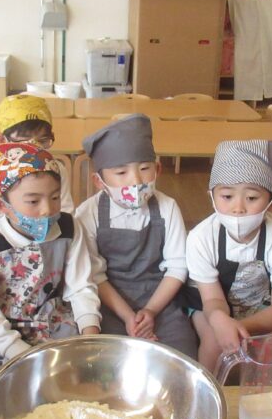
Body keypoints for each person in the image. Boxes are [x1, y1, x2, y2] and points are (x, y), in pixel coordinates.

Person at [0, 142, 100, 374]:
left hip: (57, 324)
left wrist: (90, 332)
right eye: (33, 201)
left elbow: (81, 287)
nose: (47, 209)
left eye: (55, 197)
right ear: (2, 206)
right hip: (6, 337)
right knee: (32, 384)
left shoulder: (70, 228)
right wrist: (25, 355)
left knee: (82, 376)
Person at [75, 115, 197, 358]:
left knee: (180, 353)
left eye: (144, 169)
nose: (136, 181)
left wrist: (150, 311)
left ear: (158, 169)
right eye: (121, 172)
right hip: (109, 302)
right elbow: (94, 275)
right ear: (99, 181)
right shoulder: (87, 214)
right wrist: (128, 316)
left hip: (160, 299)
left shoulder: (168, 207)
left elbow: (177, 267)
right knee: (108, 359)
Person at [186, 140, 272, 370]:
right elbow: (212, 300)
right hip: (210, 304)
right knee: (213, 342)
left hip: (261, 305)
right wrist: (221, 321)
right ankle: (209, 387)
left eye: (251, 198)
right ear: (212, 197)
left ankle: (262, 390)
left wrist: (241, 327)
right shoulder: (200, 238)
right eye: (227, 196)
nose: (238, 208)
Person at [0, 94, 73, 225]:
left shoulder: (55, 168)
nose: (34, 149)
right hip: (7, 235)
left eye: (42, 141)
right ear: (2, 140)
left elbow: (66, 210)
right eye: (23, 143)